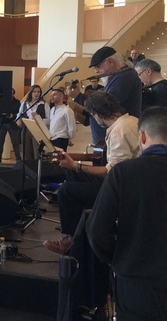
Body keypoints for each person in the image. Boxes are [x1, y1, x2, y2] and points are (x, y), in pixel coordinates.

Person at [85, 106, 167, 321]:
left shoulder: (124, 173)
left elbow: (96, 231)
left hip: (135, 285)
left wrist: (116, 259)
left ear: (142, 136)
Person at [47, 91, 140, 254]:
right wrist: (71, 162)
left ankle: (71, 240)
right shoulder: (131, 120)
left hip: (121, 191)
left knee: (66, 191)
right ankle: (78, 226)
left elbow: (111, 173)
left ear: (97, 114)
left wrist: (76, 165)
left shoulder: (120, 131)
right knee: (71, 174)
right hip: (127, 182)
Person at [88, 46, 142, 144]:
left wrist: (79, 96)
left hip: (120, 137)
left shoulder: (124, 78)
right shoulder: (119, 77)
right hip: (115, 135)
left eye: (98, 67)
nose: (96, 71)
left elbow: (105, 106)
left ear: (111, 62)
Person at [17, 85, 46, 160]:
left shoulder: (44, 104)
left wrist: (39, 119)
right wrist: (18, 120)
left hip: (37, 130)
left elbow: (49, 119)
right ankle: (28, 169)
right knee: (26, 152)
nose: (37, 93)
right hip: (26, 129)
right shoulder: (24, 104)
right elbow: (19, 114)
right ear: (31, 93)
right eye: (34, 91)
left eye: (38, 92)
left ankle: (37, 169)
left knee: (37, 152)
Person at [0, 88, 21, 165]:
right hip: (2, 123)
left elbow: (19, 112)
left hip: (12, 124)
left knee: (15, 142)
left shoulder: (17, 102)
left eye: (11, 93)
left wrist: (13, 115)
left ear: (13, 94)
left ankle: (18, 159)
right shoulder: (1, 102)